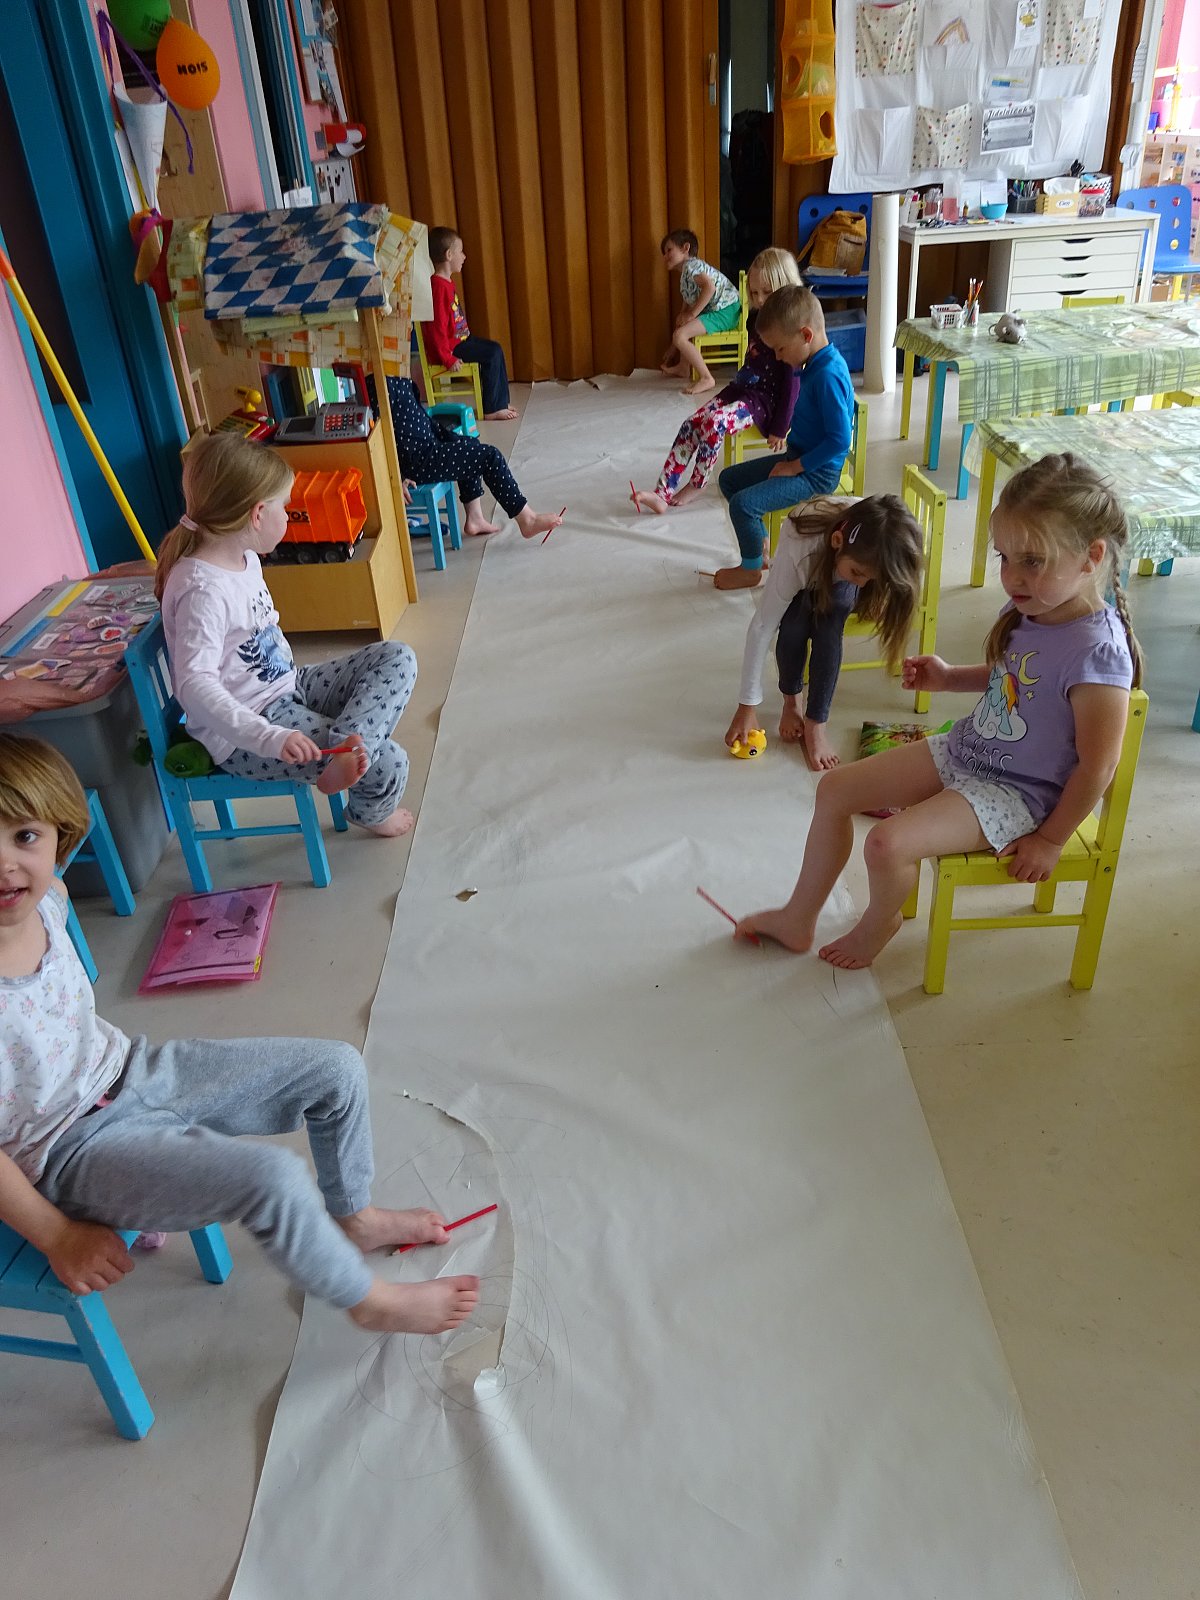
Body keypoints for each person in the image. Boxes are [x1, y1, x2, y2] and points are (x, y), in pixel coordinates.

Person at [0, 735, 480, 1335]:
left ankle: (354, 1217)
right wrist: (58, 1235)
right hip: (68, 1153)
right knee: (272, 1179)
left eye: (25, 836)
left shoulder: (49, 897)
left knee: (336, 1068)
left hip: (133, 1069)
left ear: (60, 835)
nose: (6, 864)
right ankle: (371, 1302)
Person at [734, 454, 1142, 970]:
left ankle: (880, 921)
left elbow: (1099, 766)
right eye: (1004, 557)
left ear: (1091, 557)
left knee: (886, 845)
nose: (1011, 577)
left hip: (1019, 793)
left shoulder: (1098, 654)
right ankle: (798, 918)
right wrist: (950, 678)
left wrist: (1050, 839)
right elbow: (1014, 679)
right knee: (833, 791)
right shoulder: (1033, 605)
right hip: (966, 750)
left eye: (1032, 561)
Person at [157, 432, 419, 838]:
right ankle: (371, 810)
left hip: (289, 685)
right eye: (285, 506)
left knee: (398, 657)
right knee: (390, 762)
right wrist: (270, 737)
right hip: (247, 733)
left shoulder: (244, 558)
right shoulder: (202, 590)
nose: (288, 514)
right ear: (258, 514)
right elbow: (193, 686)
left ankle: (346, 746)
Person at [724, 495, 925, 771]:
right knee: (793, 627)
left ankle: (816, 725)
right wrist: (747, 707)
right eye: (859, 574)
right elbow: (762, 626)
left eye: (871, 579)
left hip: (842, 569)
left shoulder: (876, 538)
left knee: (830, 626)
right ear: (837, 541)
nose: (862, 584)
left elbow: (880, 570)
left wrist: (874, 591)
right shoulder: (799, 551)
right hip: (806, 573)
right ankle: (791, 702)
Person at [632, 248, 802, 514]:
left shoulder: (790, 329)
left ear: (786, 286)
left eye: (767, 292)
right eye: (754, 293)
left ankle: (697, 484)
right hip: (741, 389)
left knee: (714, 423)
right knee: (691, 424)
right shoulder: (758, 317)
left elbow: (793, 384)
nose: (759, 299)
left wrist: (781, 426)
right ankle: (662, 493)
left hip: (764, 401)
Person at [713, 284, 855, 592]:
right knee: (729, 480)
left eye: (780, 349)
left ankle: (750, 570)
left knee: (742, 505)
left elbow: (840, 440)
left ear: (806, 335)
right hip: (798, 457)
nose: (777, 357)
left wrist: (794, 467)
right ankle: (759, 546)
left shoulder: (827, 374)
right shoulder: (813, 363)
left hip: (817, 474)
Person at [374, 374, 563, 540]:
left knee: (470, 443)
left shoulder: (393, 373)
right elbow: (372, 439)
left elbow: (417, 419)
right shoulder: (373, 384)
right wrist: (396, 474)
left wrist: (450, 438)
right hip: (418, 460)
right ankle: (527, 519)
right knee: (490, 456)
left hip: (428, 444)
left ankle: (475, 519)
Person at [423, 226, 517, 421]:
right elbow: (435, 329)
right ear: (449, 255)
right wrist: (447, 358)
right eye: (461, 252)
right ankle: (492, 409)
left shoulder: (446, 283)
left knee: (495, 349)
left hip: (461, 340)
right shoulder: (438, 287)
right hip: (452, 348)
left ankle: (500, 402)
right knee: (491, 354)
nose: (464, 257)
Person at [658, 229, 742, 397]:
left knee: (681, 335)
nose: (665, 256)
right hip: (723, 310)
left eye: (669, 250)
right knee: (681, 330)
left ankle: (707, 378)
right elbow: (686, 309)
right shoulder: (686, 275)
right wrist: (673, 347)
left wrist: (691, 315)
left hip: (726, 310)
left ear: (685, 248)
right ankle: (684, 368)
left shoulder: (692, 266)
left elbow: (709, 288)